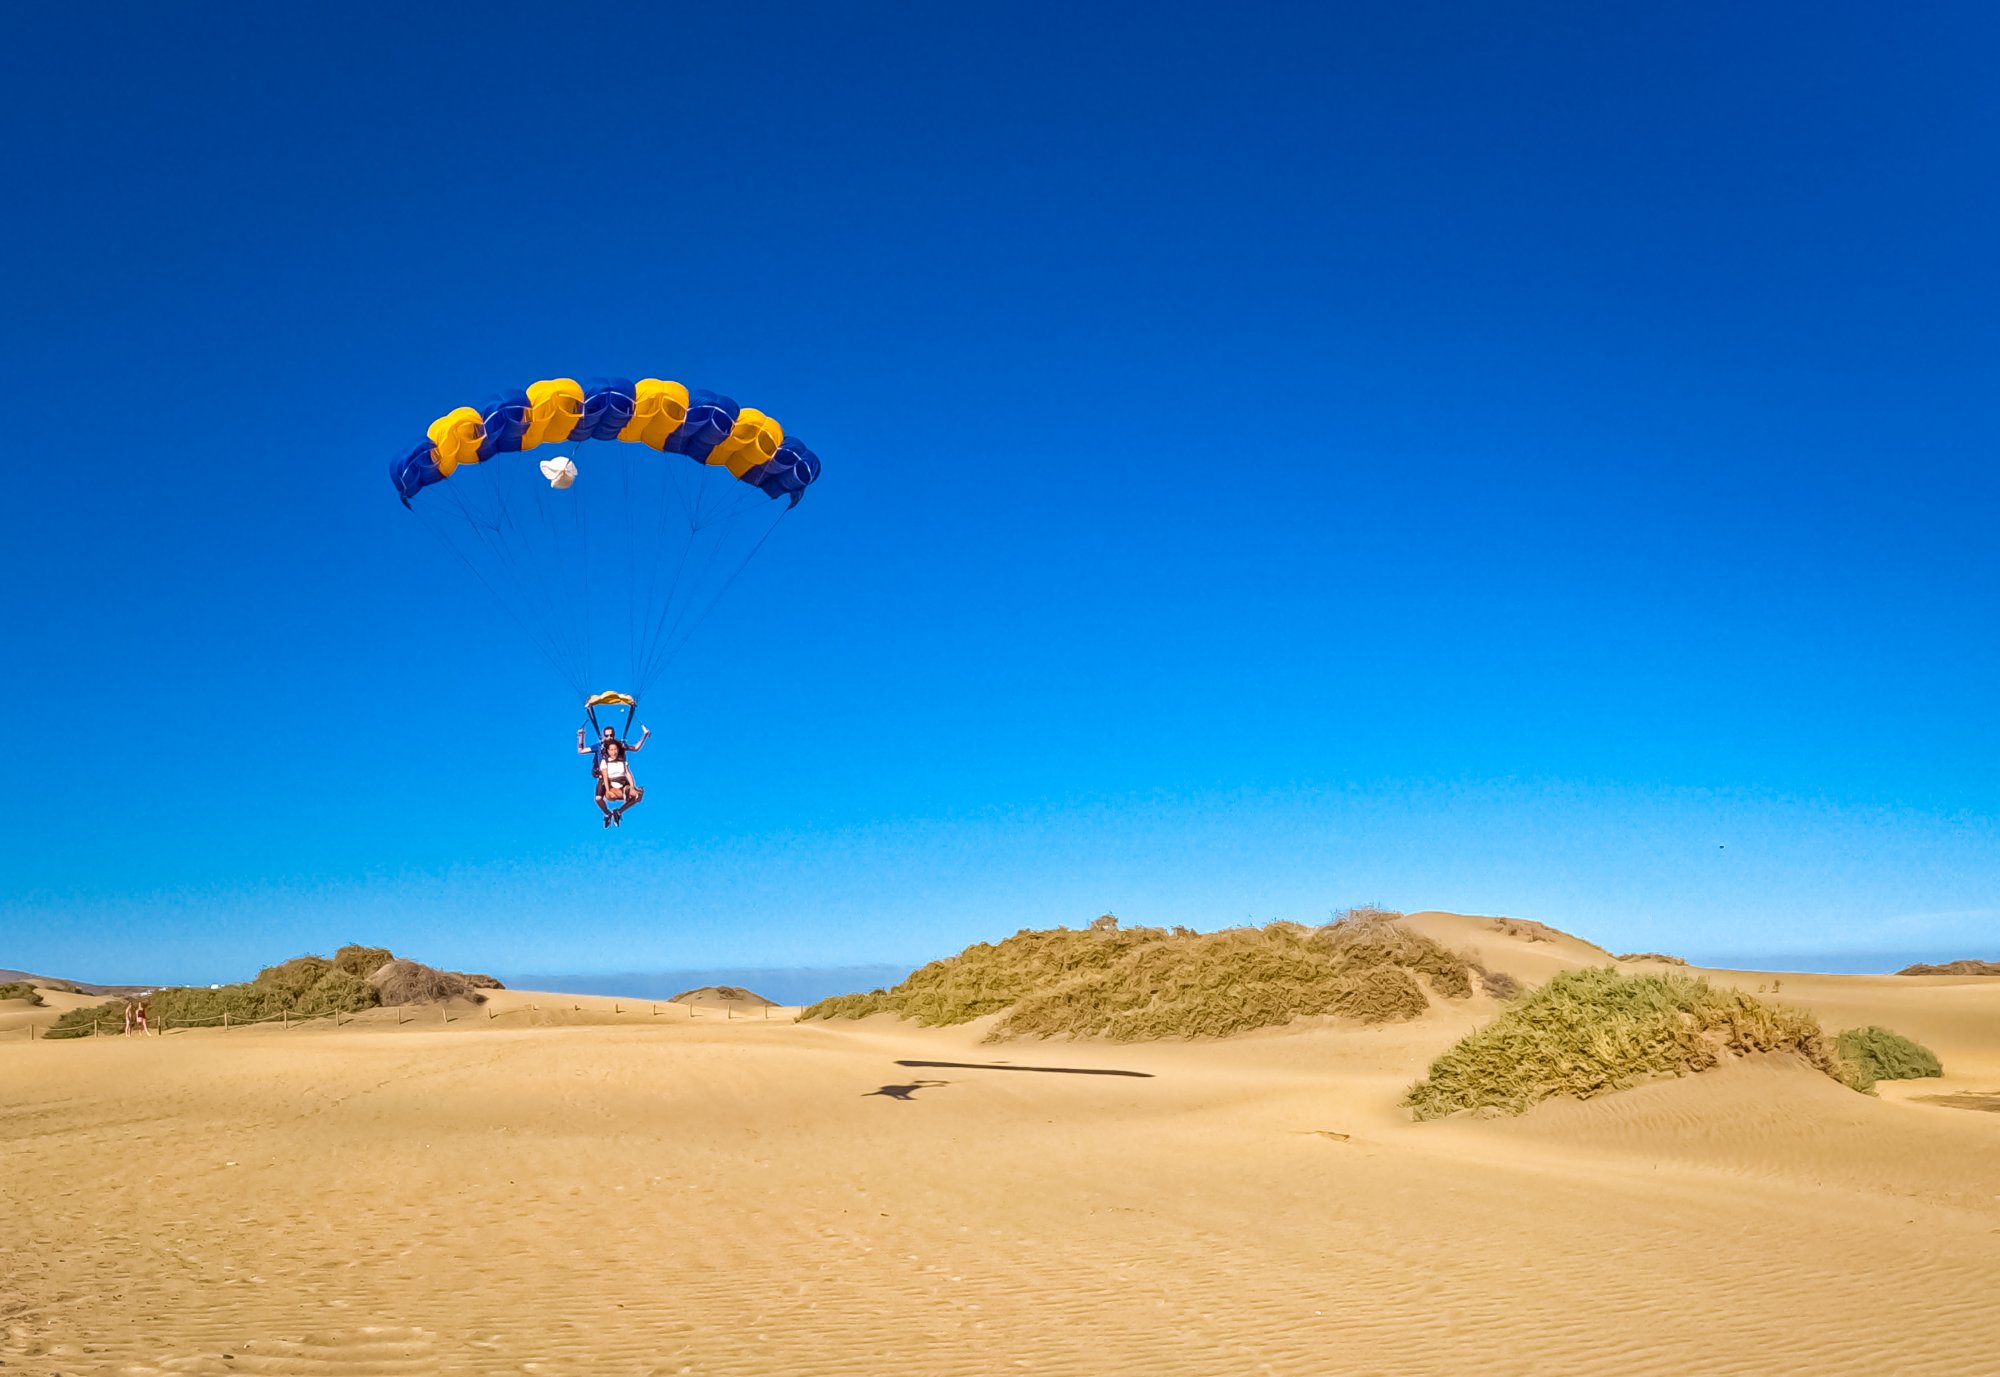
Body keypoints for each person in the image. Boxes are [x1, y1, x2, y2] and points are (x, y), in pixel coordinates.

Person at [576, 723, 650, 827]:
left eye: (611, 735)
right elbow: (581, 750)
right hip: (604, 776)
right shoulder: (599, 746)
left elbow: (635, 748)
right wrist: (581, 736)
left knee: (635, 797)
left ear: (614, 735)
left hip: (619, 776)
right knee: (598, 798)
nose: (609, 737)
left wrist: (645, 736)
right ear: (603, 736)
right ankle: (607, 814)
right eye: (606, 736)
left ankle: (619, 812)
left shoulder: (619, 745)